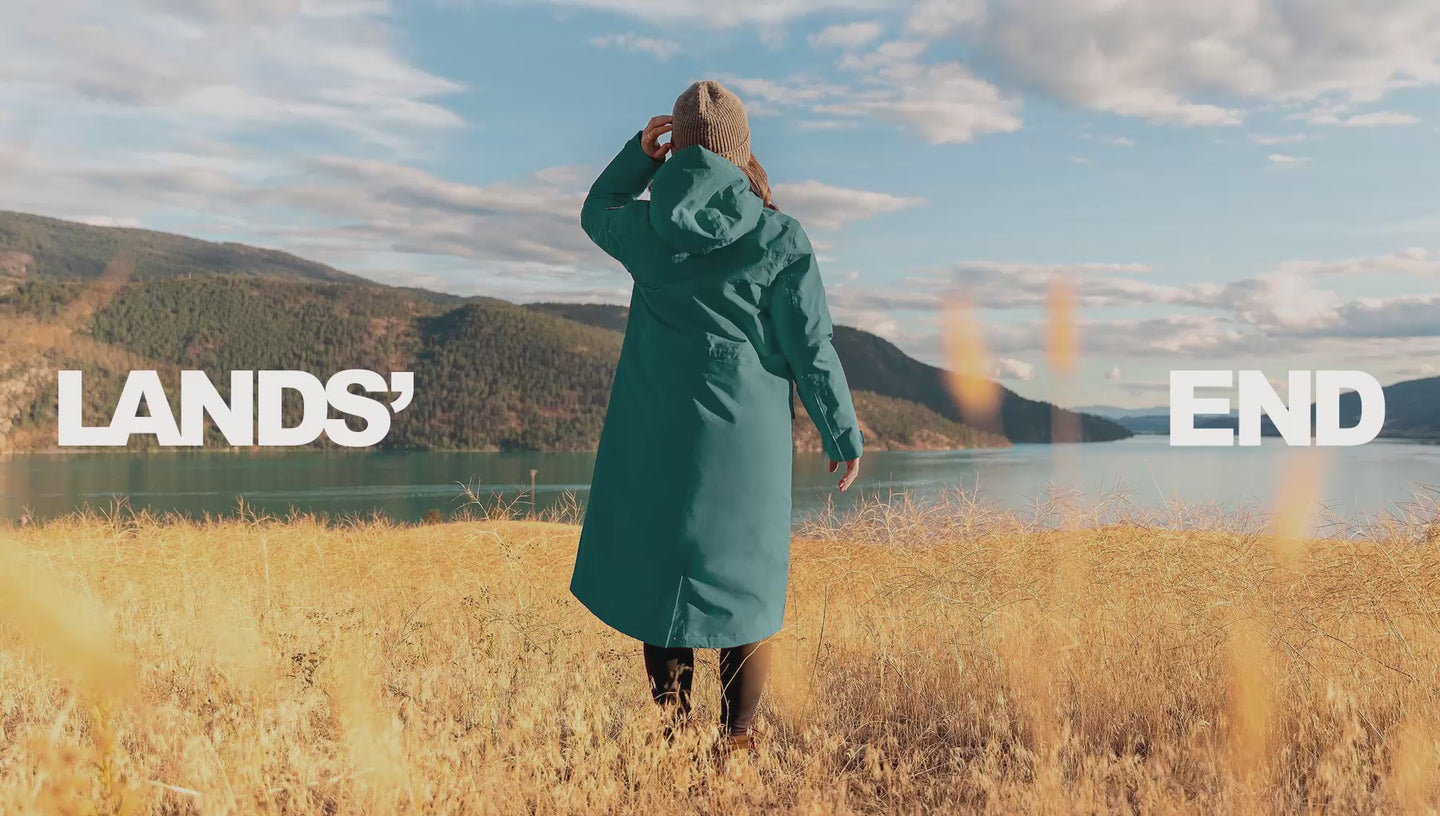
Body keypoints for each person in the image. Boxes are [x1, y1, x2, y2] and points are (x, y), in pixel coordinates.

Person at [569, 80, 863, 754]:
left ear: (677, 144)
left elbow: (596, 209)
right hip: (746, 443)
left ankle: (673, 735)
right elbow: (809, 346)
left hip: (656, 439)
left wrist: (637, 159)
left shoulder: (646, 227)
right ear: (742, 152)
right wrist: (841, 431)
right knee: (745, 588)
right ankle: (736, 745)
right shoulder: (778, 235)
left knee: (660, 585)